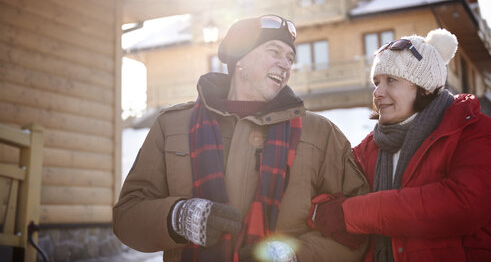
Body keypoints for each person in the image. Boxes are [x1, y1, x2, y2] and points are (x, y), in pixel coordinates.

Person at [113, 14, 369, 262]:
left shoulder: (321, 134)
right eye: (274, 52)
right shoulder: (171, 126)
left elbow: (357, 227)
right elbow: (127, 218)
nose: (286, 64)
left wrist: (296, 257)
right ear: (240, 58)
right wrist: (179, 217)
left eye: (290, 57)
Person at [307, 28, 491, 261]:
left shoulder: (472, 130)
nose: (377, 92)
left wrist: (349, 213)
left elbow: (463, 205)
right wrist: (325, 209)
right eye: (376, 82)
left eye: (391, 81)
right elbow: (334, 189)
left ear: (424, 87)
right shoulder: (369, 149)